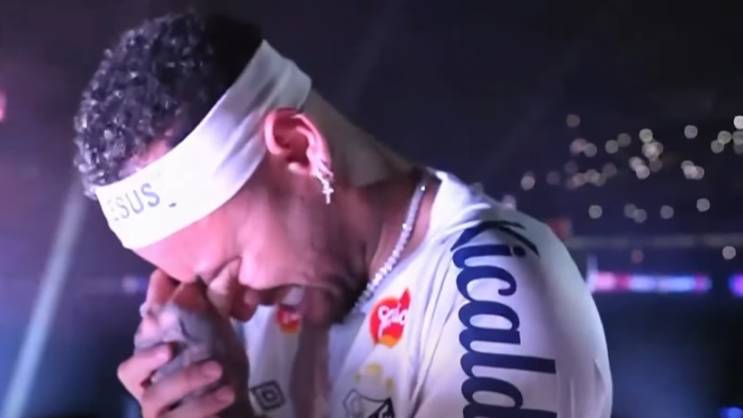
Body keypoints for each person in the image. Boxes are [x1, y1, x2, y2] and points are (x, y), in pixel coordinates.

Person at [72, 12, 612, 418]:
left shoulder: (499, 288)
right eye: (193, 284)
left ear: (300, 147)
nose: (231, 306)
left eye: (228, 268)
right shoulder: (242, 324)